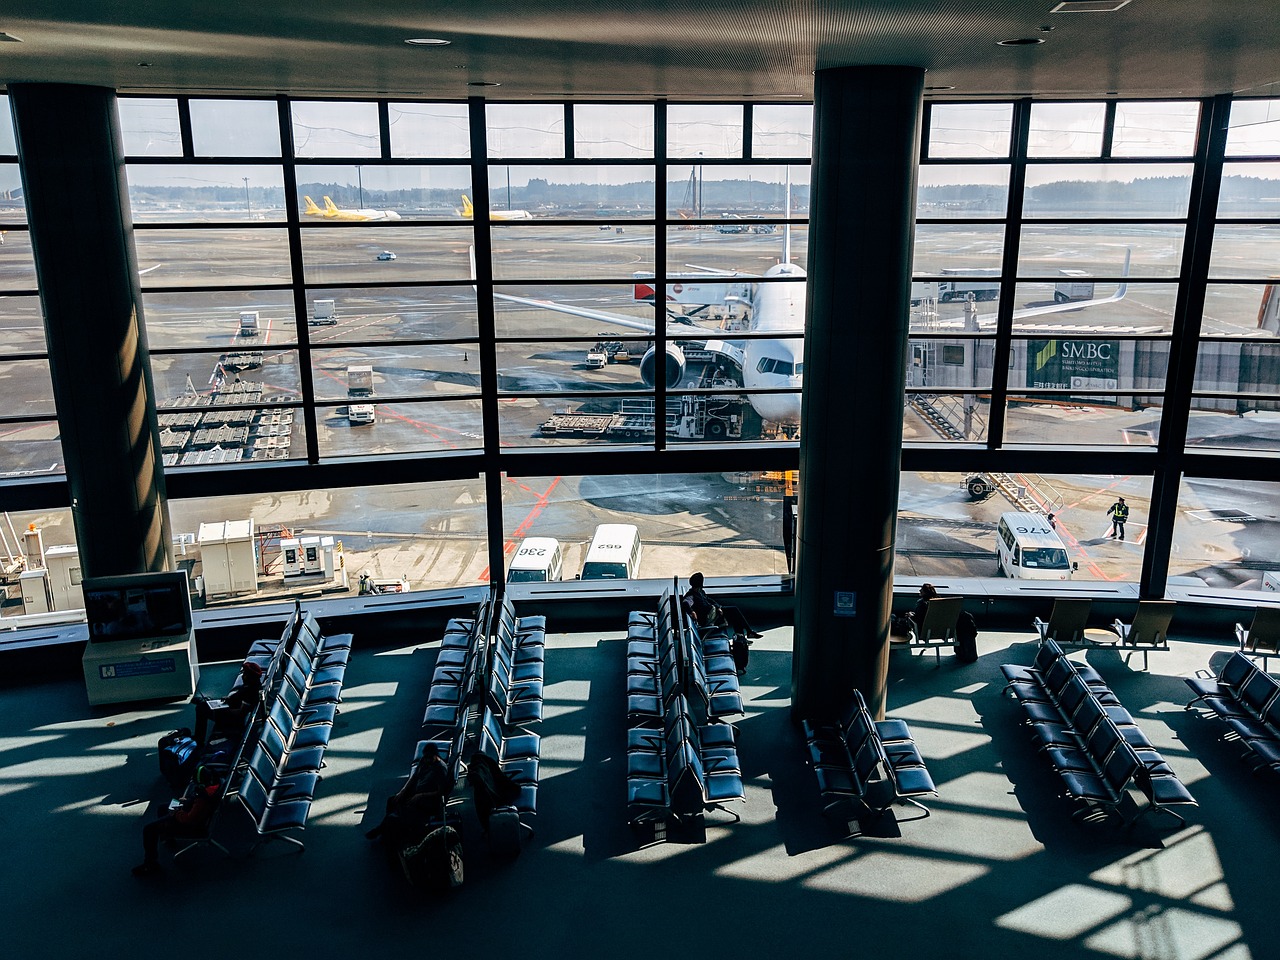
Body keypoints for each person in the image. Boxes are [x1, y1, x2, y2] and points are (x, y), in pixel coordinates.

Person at [132, 764, 221, 876]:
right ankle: (167, 838)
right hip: (191, 812)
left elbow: (188, 819)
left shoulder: (202, 799)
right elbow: (197, 806)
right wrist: (188, 801)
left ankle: (150, 864)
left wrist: (176, 812)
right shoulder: (211, 789)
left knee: (149, 829)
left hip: (190, 825)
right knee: (162, 807)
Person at [365, 743, 453, 844]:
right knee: (392, 800)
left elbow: (440, 792)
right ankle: (387, 828)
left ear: (436, 755)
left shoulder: (440, 769)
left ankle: (384, 828)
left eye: (429, 758)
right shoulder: (424, 760)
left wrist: (420, 796)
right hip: (417, 793)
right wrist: (402, 791)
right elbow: (414, 777)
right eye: (425, 757)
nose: (427, 760)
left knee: (402, 808)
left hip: (428, 801)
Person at [192, 660, 263, 746]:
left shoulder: (250, 692)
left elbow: (239, 713)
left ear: (249, 676)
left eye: (245, 674)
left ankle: (199, 740)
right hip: (231, 709)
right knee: (204, 704)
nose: (243, 676)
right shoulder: (252, 685)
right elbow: (239, 698)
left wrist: (220, 709)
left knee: (201, 709)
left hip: (232, 721)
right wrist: (228, 700)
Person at [682, 572, 763, 639]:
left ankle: (743, 635)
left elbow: (710, 600)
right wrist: (691, 611)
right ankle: (745, 633)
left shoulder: (700, 592)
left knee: (734, 612)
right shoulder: (691, 595)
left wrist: (718, 607)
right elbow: (685, 603)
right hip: (709, 618)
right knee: (734, 611)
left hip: (713, 612)